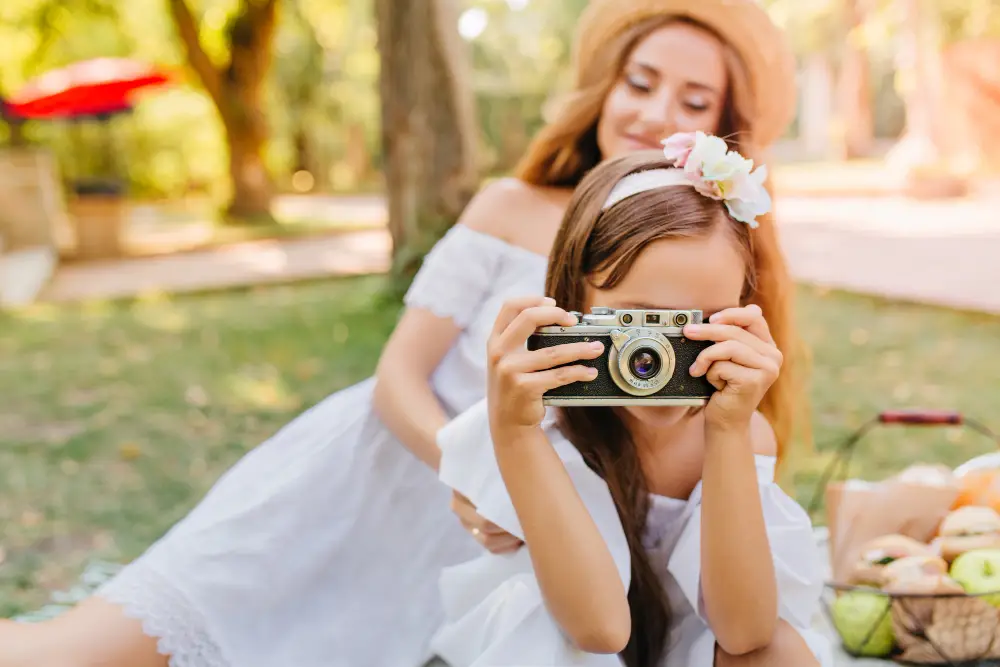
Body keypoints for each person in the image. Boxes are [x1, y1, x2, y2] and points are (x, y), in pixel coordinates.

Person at [0, 2, 802, 667]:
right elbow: (398, 376)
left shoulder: (717, 243)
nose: (657, 111)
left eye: (694, 102)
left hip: (569, 494)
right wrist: (481, 467)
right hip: (406, 462)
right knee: (110, 643)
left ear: (722, 133)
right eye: (641, 81)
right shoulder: (507, 204)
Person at [432, 138, 831, 667]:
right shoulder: (532, 421)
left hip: (682, 644)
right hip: (562, 643)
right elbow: (597, 629)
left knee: (778, 651)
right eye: (640, 323)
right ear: (574, 302)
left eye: (701, 323)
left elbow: (744, 631)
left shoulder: (737, 427)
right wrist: (515, 436)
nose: (662, 360)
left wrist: (729, 433)